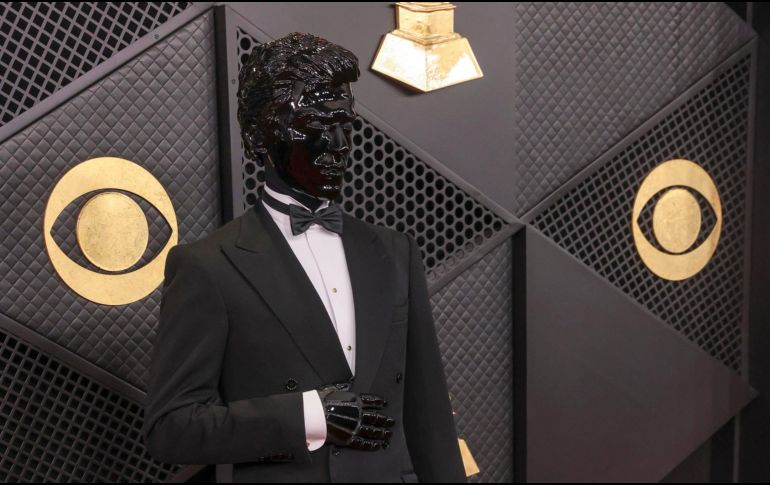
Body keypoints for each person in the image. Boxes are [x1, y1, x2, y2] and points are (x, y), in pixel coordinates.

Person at [142, 31, 466, 483]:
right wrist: (308, 414)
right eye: (316, 126)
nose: (339, 145)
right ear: (259, 136)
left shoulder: (395, 252)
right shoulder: (208, 266)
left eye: (344, 124)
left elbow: (429, 419)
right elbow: (170, 429)